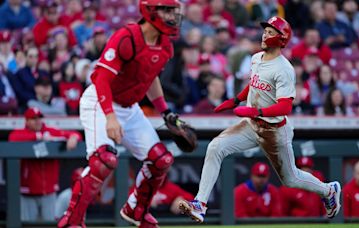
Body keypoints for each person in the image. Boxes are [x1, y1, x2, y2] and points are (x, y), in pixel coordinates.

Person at [178, 16, 341, 223]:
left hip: (274, 129)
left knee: (290, 179)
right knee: (215, 147)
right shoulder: (256, 58)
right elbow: (254, 85)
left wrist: (255, 112)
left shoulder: (284, 69)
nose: (265, 34)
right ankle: (200, 204)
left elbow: (285, 106)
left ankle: (328, 190)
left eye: (271, 32)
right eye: (265, 30)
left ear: (281, 39)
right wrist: (235, 100)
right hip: (252, 124)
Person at [57, 0, 187, 227]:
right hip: (100, 100)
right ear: (150, 11)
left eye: (173, 10)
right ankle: (72, 221)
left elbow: (150, 77)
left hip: (130, 107)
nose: (172, 15)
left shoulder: (166, 45)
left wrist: (166, 113)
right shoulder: (127, 37)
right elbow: (100, 78)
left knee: (161, 160)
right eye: (166, 10)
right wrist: (109, 117)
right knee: (104, 160)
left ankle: (136, 209)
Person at [8, 107, 81, 221]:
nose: (37, 121)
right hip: (28, 190)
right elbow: (13, 138)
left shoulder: (50, 131)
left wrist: (74, 137)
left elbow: (74, 134)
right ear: (27, 121)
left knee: (49, 223)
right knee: (27, 224)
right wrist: (38, 136)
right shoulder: (22, 133)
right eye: (33, 119)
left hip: (49, 190)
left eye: (39, 118)